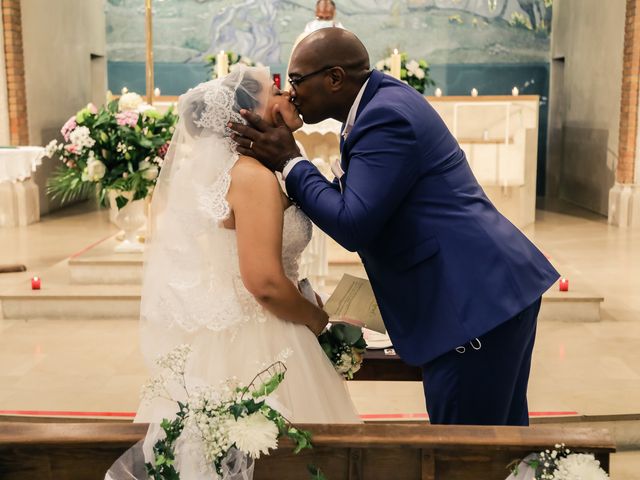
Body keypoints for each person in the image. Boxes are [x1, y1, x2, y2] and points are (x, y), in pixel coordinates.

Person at [229, 28, 560, 426]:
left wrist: (291, 161)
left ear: (334, 78)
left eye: (296, 80)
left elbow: (353, 223)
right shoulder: (377, 104)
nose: (292, 94)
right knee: (496, 443)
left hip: (469, 302)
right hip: (485, 292)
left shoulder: (384, 117)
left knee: (465, 450)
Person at [105, 65, 359, 480]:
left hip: (236, 333)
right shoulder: (252, 178)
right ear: (247, 116)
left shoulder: (238, 171)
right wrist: (316, 319)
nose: (289, 94)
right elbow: (263, 283)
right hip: (266, 340)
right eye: (276, 90)